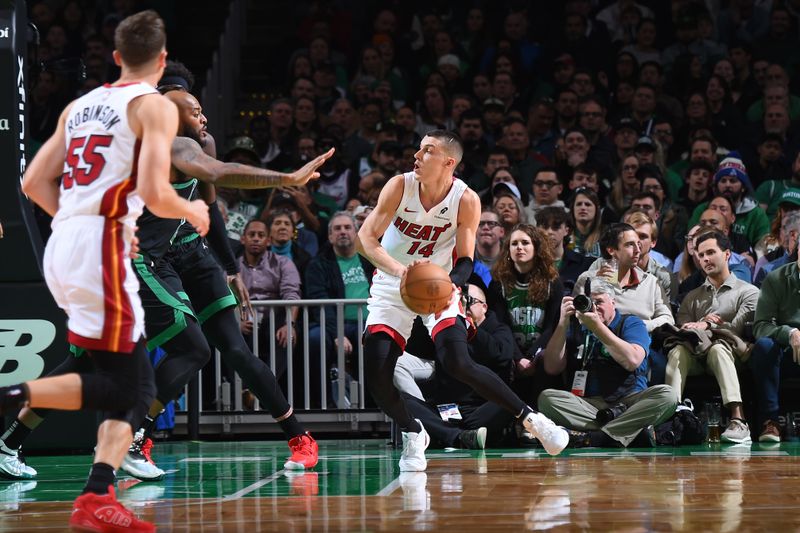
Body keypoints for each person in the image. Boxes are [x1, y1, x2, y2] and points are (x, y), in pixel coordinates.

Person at [1, 63, 335, 483]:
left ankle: (298, 437)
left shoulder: (197, 140)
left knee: (226, 348)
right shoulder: (163, 143)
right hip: (143, 259)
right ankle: (128, 436)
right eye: (188, 107)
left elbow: (209, 200)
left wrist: (230, 268)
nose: (202, 115)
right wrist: (286, 177)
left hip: (185, 253)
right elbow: (215, 173)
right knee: (181, 350)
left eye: (195, 105)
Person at [5, 11, 209, 531]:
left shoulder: (80, 105)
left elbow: (32, 182)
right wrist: (194, 211)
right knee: (133, 390)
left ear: (116, 57)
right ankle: (90, 487)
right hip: (99, 249)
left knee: (119, 381)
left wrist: (81, 220)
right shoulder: (154, 106)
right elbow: (159, 193)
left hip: (63, 245)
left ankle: (97, 492)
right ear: (161, 61)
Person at [357, 130, 568, 471]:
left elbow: (466, 261)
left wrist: (449, 285)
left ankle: (533, 420)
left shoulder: (465, 199)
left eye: (427, 151)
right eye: (419, 149)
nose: (417, 156)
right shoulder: (399, 185)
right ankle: (414, 432)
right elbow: (365, 239)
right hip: (391, 282)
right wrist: (402, 272)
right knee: (378, 375)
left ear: (448, 162)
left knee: (457, 360)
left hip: (438, 284)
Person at [537, 280, 676, 448]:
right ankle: (628, 431)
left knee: (668, 395)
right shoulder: (574, 327)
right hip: (588, 405)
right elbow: (552, 367)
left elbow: (632, 361)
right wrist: (562, 323)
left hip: (629, 401)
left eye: (599, 302)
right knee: (547, 399)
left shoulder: (630, 323)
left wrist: (597, 328)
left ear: (613, 302)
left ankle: (595, 437)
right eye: (588, 302)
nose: (593, 307)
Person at [395, 284, 517, 449]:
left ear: (484, 307)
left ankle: (443, 434)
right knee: (399, 400)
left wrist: (468, 327)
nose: (463, 305)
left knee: (509, 403)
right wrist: (429, 314)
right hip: (446, 408)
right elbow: (415, 347)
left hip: (479, 408)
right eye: (459, 300)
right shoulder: (445, 328)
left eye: (470, 301)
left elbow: (499, 355)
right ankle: (457, 436)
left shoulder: (498, 328)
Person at [665, 230, 758, 444]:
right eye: (700, 255)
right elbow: (684, 331)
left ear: (727, 254)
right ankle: (670, 416)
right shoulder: (691, 297)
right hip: (696, 355)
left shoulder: (748, 292)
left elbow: (735, 329)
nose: (705, 259)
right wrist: (705, 326)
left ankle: (738, 420)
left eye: (710, 252)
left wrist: (706, 324)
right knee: (677, 350)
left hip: (732, 357)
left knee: (718, 348)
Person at [488, 224, 564, 407]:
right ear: (508, 250)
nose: (519, 247)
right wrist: (517, 357)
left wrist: (530, 356)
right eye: (514, 244)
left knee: (547, 360)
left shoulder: (552, 282)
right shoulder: (498, 284)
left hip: (540, 351)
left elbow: (551, 327)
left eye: (525, 242)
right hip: (511, 350)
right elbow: (501, 325)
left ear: (536, 248)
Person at [305, 211, 375, 407]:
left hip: (368, 322)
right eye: (337, 229)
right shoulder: (318, 265)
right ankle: (322, 404)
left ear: (356, 232)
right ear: (329, 236)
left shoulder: (371, 259)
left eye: (347, 227)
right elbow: (321, 302)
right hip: (334, 324)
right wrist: (338, 333)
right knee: (315, 339)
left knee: (377, 339)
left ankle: (374, 403)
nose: (342, 232)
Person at [750, 244, 800, 442]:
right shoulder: (776, 278)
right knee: (764, 346)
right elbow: (760, 325)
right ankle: (770, 421)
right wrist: (790, 333)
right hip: (785, 353)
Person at [536, 207, 594, 296]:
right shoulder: (529, 263)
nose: (550, 232)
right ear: (537, 230)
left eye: (556, 227)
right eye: (545, 227)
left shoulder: (584, 264)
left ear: (566, 231)